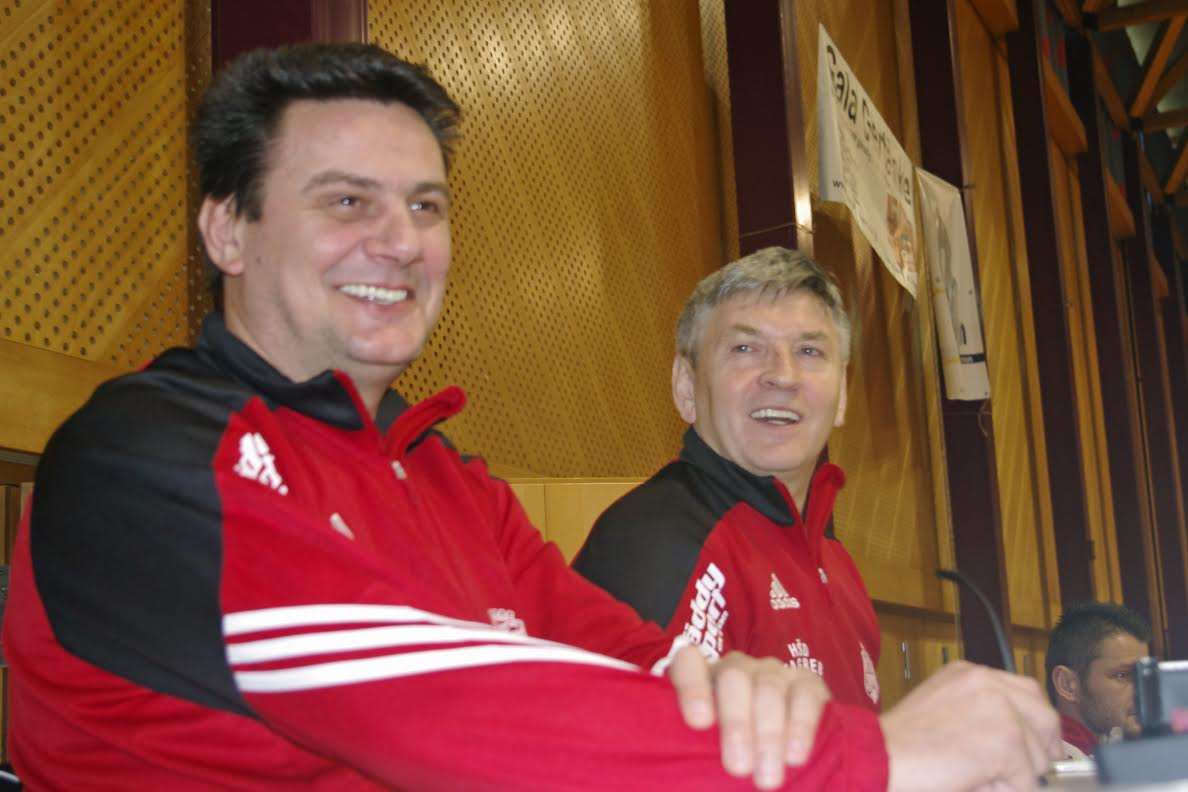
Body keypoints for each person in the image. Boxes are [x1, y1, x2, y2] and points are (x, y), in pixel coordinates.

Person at [3, 43, 1059, 791]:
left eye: (425, 206)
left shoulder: (450, 480)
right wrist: (873, 757)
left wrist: (744, 691)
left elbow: (626, 658)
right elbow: (423, 698)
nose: (400, 240)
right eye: (346, 201)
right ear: (227, 231)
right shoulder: (141, 454)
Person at [574, 249, 879, 710]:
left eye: (809, 351)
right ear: (685, 387)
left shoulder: (837, 563)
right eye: (745, 349)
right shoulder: (658, 544)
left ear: (841, 398)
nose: (783, 375)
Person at [1045, 602, 1152, 758]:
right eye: (1122, 675)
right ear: (1067, 684)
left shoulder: (1108, 752)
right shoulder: (1044, 760)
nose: (1143, 690)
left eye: (1144, 676)